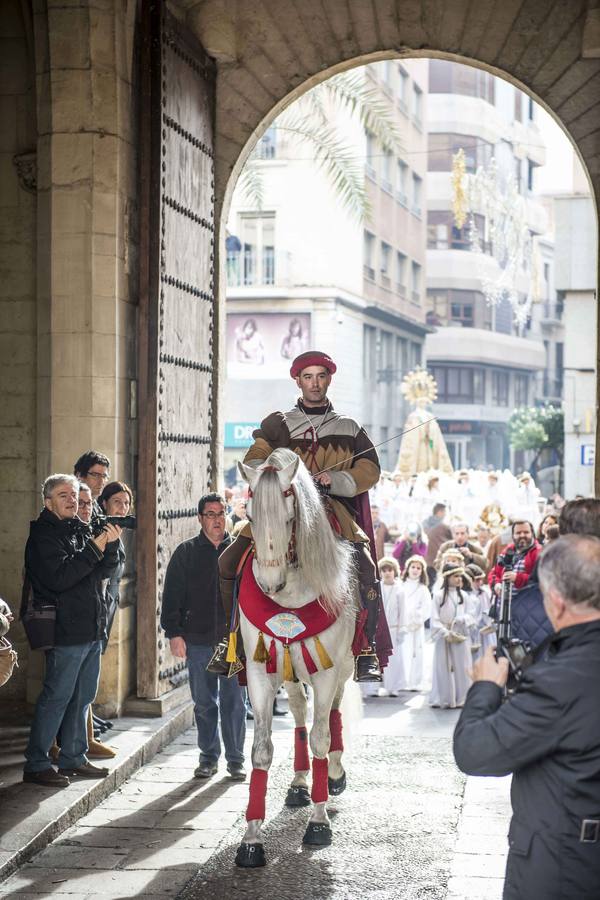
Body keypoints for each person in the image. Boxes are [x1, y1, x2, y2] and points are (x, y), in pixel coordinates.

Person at [218, 349, 388, 682]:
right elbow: (254, 460)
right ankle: (230, 643)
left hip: (330, 510)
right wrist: (271, 474)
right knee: (227, 563)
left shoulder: (348, 427)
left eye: (321, 376)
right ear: (298, 381)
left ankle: (365, 649)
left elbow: (370, 469)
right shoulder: (279, 423)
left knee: (366, 566)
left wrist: (335, 479)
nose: (315, 383)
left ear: (329, 380)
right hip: (281, 509)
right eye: (307, 377)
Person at [453, 534, 600, 900]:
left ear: (556, 600)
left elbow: (475, 751)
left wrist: (486, 687)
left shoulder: (562, 680)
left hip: (566, 863)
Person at [23, 474, 121, 787]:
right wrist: (95, 548)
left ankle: (74, 758)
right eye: (63, 495)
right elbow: (61, 577)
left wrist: (111, 545)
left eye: (74, 496)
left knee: (82, 698)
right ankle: (36, 763)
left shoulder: (77, 529)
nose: (71, 500)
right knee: (57, 697)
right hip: (65, 631)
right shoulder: (43, 536)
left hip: (90, 627)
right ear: (48, 501)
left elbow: (102, 571)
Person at [161, 493, 247, 780]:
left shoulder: (239, 551)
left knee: (235, 702)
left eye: (221, 513)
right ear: (200, 518)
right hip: (197, 640)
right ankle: (208, 758)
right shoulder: (185, 553)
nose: (216, 519)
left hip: (233, 640)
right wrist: (174, 633)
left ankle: (236, 760)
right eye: (210, 514)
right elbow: (171, 596)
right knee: (205, 703)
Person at [429, 563, 474, 709]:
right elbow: (434, 618)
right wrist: (444, 632)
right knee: (444, 667)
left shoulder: (465, 596)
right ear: (447, 577)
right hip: (444, 637)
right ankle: (445, 698)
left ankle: (463, 698)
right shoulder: (438, 595)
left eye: (460, 576)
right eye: (456, 576)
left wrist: (463, 619)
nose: (459, 579)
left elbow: (472, 614)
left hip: (460, 636)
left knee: (462, 667)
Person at [397, 555, 431, 691]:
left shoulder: (423, 589)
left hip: (417, 626)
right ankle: (402, 681)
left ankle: (415, 682)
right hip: (403, 625)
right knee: (403, 652)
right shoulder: (401, 586)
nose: (415, 570)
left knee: (417, 652)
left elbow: (427, 607)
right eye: (413, 567)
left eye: (418, 568)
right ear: (407, 568)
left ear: (422, 571)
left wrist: (418, 618)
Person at [378, 557, 404, 697]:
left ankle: (394, 686)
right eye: (384, 570)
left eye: (390, 570)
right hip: (380, 629)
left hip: (394, 628)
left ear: (395, 571)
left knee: (394, 659)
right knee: (379, 658)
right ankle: (377, 687)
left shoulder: (400, 590)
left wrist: (402, 630)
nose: (387, 573)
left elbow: (403, 611)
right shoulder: (377, 587)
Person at [73, 450, 111, 518]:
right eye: (96, 475)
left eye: (104, 476)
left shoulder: (97, 506)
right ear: (79, 476)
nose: (101, 481)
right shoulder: (71, 505)